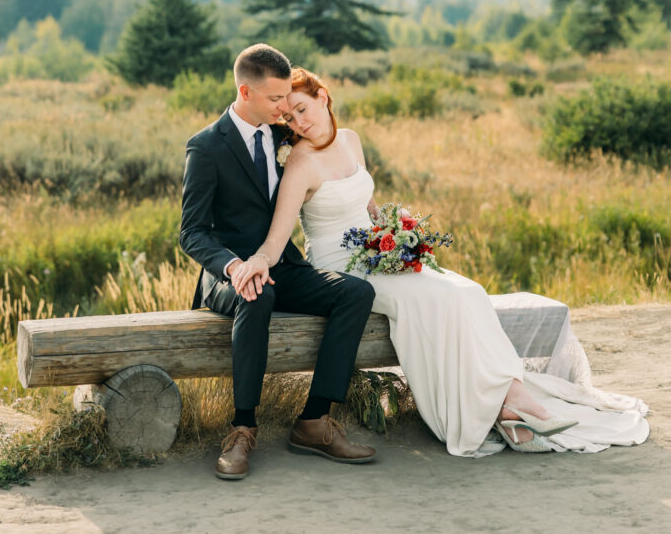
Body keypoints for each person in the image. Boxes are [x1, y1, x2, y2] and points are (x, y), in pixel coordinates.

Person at [238, 67, 650, 457]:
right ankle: (505, 406)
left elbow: (368, 205)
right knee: (435, 300)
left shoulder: (351, 139)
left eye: (302, 109)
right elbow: (279, 235)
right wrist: (257, 261)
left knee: (469, 292)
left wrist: (397, 236)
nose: (298, 123)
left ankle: (509, 399)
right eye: (289, 118)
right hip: (343, 265)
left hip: (376, 252)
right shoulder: (299, 161)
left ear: (323, 97)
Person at [179, 45, 377, 480]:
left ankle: (314, 421)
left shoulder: (283, 135)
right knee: (256, 291)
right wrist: (234, 267)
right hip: (228, 274)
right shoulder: (207, 147)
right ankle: (243, 427)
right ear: (245, 92)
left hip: (284, 264)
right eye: (275, 100)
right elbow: (191, 232)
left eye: (287, 98)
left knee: (357, 292)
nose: (284, 107)